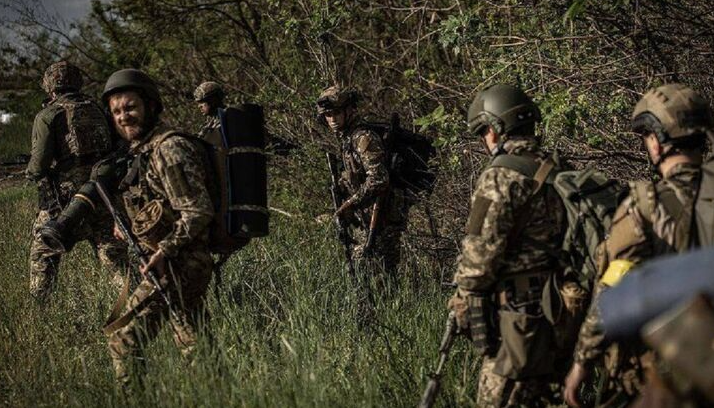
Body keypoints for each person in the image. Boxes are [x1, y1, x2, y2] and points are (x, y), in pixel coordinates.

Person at [563, 83, 713, 408]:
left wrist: (583, 361)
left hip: (672, 372)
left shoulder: (645, 206)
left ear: (656, 141)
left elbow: (610, 289)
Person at [448, 83, 567, 407]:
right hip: (563, 314)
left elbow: (480, 258)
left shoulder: (500, 176)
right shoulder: (559, 168)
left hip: (518, 318)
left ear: (495, 129)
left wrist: (463, 299)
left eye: (483, 131)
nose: (484, 139)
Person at [101, 68, 215, 386]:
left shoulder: (169, 148)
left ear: (151, 106)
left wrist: (164, 249)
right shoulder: (143, 151)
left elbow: (197, 211)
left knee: (122, 341)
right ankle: (215, 393)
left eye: (130, 107)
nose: (123, 117)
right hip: (174, 262)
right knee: (195, 345)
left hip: (180, 263)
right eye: (116, 111)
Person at [26, 61, 126, 300]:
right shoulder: (99, 109)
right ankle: (131, 299)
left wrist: (31, 172)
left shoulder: (48, 115)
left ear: (50, 86)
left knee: (43, 251)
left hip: (65, 200)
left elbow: (38, 166)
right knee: (114, 256)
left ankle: (41, 306)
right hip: (103, 193)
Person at [316, 85, 409, 283]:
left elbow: (379, 178)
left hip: (381, 220)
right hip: (366, 221)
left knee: (381, 279)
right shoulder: (348, 140)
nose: (332, 119)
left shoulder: (363, 137)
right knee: (362, 277)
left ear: (349, 110)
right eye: (328, 115)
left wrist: (350, 203)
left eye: (336, 113)